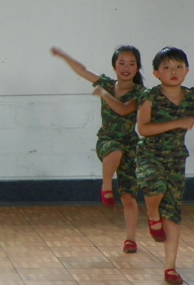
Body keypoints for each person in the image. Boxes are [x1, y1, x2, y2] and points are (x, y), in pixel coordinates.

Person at [136, 46, 194, 285]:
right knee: (155, 186)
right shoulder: (149, 97)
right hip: (149, 155)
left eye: (178, 67)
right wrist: (178, 123)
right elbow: (143, 129)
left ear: (186, 70)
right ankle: (152, 214)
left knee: (172, 213)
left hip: (176, 159)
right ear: (156, 74)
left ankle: (170, 268)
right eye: (167, 67)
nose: (173, 71)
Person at [50, 45, 145, 253]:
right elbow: (83, 71)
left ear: (138, 68)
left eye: (131, 63)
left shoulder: (140, 93)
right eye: (121, 63)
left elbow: (123, 109)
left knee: (129, 196)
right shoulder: (106, 83)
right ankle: (106, 187)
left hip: (131, 145)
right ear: (114, 66)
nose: (126, 67)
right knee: (114, 151)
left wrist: (103, 94)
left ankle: (130, 239)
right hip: (107, 140)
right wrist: (64, 55)